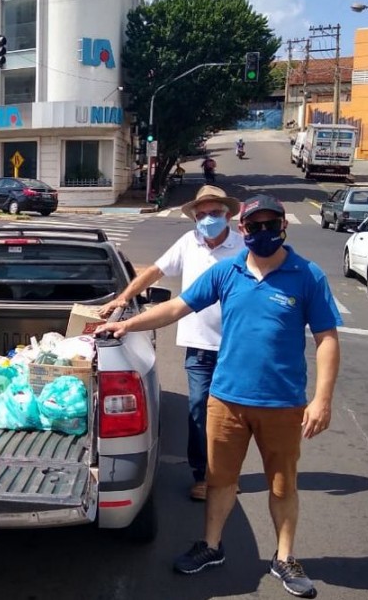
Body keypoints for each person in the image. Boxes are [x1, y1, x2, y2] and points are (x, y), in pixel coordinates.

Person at [96, 194, 341, 599]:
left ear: (284, 227)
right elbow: (177, 307)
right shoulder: (227, 272)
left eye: (270, 224)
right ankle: (211, 546)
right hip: (226, 399)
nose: (263, 232)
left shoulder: (308, 275)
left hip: (282, 404)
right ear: (243, 230)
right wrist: (128, 325)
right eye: (255, 225)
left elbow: (327, 338)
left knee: (282, 485)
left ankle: (284, 557)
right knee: (219, 481)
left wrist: (322, 399)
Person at [99, 185, 244, 502]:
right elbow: (155, 271)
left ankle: (228, 472)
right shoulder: (188, 243)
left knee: (234, 415)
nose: (207, 219)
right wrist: (123, 297)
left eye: (214, 213)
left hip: (238, 347)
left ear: (228, 215)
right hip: (200, 346)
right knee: (198, 411)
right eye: (201, 214)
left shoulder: (244, 248)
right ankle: (203, 475)